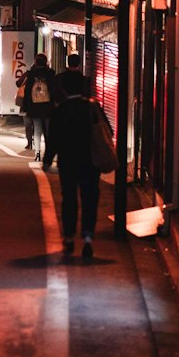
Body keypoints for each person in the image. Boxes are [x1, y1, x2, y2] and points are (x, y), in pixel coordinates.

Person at [44, 69, 109, 262]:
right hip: (90, 161)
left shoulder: (60, 110)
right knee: (90, 197)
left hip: (68, 162)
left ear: (64, 88)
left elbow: (53, 139)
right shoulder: (92, 108)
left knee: (69, 197)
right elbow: (107, 131)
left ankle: (69, 237)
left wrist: (48, 160)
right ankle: (88, 237)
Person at [16, 53, 56, 160]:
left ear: (35, 62)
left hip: (35, 107)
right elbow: (53, 90)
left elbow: (28, 90)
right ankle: (48, 155)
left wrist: (27, 106)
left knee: (37, 130)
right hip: (48, 107)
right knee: (48, 131)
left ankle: (37, 154)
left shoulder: (31, 74)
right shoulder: (50, 73)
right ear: (46, 62)